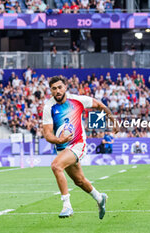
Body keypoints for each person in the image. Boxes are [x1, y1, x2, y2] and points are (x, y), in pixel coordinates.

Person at [42, 76, 119, 219]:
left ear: (65, 87)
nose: (57, 91)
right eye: (54, 88)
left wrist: (113, 121)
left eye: (60, 87)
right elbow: (47, 134)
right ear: (51, 91)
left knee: (56, 166)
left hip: (78, 144)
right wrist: (59, 139)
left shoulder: (78, 100)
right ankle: (100, 198)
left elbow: (99, 105)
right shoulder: (49, 107)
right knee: (79, 181)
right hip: (62, 147)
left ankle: (67, 206)